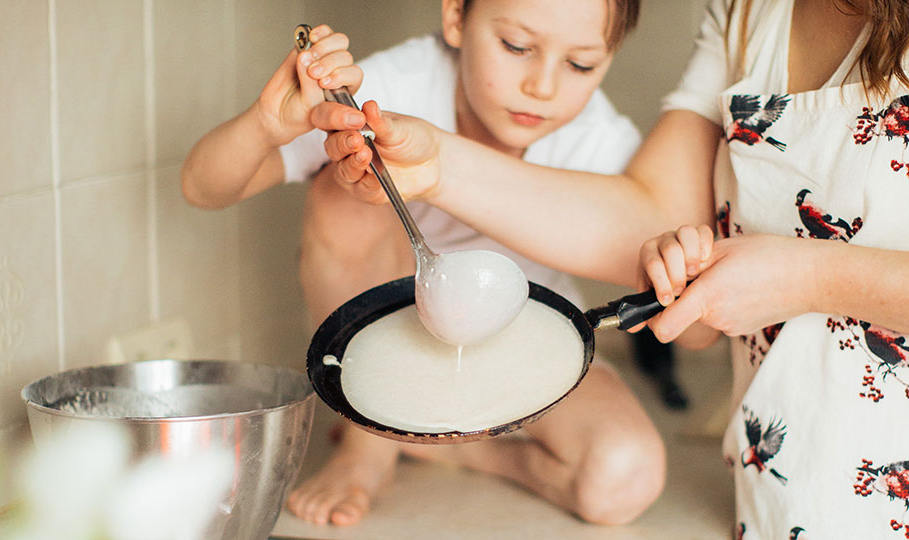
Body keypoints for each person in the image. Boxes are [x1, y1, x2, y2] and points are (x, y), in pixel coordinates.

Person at [313, 0, 909, 536]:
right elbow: (653, 215)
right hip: (788, 494)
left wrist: (809, 277)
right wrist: (438, 165)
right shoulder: (746, 11)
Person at [182, 0, 666, 528]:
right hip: (392, 344)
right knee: (345, 182)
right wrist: (265, 125)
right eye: (517, 47)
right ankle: (371, 443)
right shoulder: (394, 89)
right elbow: (202, 187)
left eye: (580, 65)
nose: (543, 87)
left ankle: (449, 444)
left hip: (526, 342)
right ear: (456, 16)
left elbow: (649, 251)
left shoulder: (598, 137)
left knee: (625, 476)